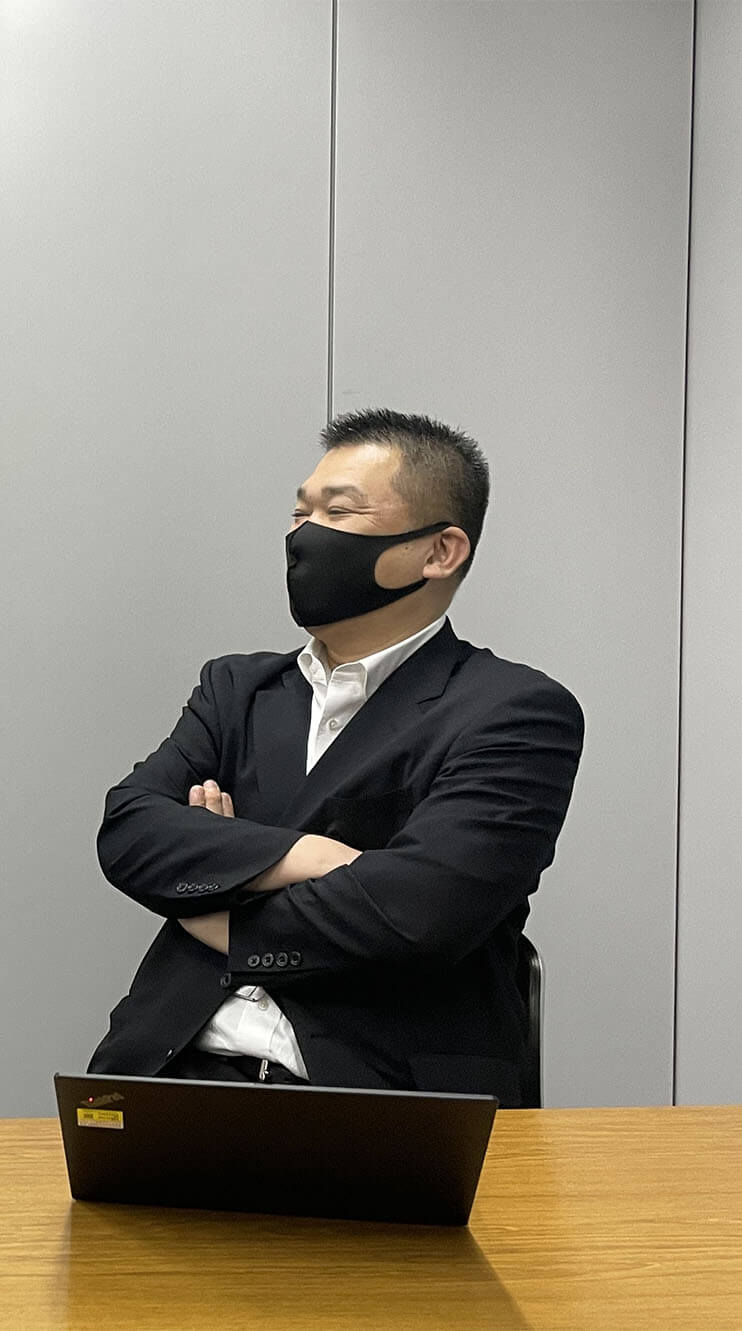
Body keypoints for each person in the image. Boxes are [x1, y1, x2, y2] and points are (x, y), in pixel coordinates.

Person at [88, 409, 583, 1106]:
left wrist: (222, 897)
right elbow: (129, 831)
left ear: (440, 551)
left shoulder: (515, 711)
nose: (304, 534)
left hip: (376, 1095)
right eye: (300, 513)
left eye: (338, 512)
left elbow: (420, 912)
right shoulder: (236, 688)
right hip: (165, 1073)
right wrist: (314, 856)